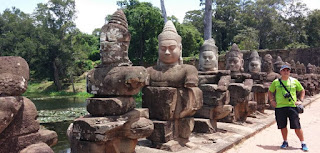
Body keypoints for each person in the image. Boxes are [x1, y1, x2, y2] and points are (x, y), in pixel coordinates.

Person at [268, 65, 308, 151]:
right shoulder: (276, 82)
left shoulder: (294, 81)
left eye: (287, 70)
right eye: (284, 70)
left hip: (292, 106)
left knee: (297, 126)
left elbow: (302, 90)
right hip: (280, 107)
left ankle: (303, 142)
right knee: (282, 126)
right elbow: (270, 91)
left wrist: (301, 100)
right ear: (280, 72)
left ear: (289, 72)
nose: (286, 72)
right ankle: (285, 141)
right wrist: (272, 100)